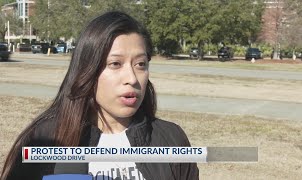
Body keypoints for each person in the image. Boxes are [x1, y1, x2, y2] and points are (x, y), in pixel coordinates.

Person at [1, 11, 199, 180]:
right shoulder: (45, 139)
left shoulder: (171, 138)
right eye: (115, 64)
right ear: (87, 70)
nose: (132, 78)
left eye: (140, 64)